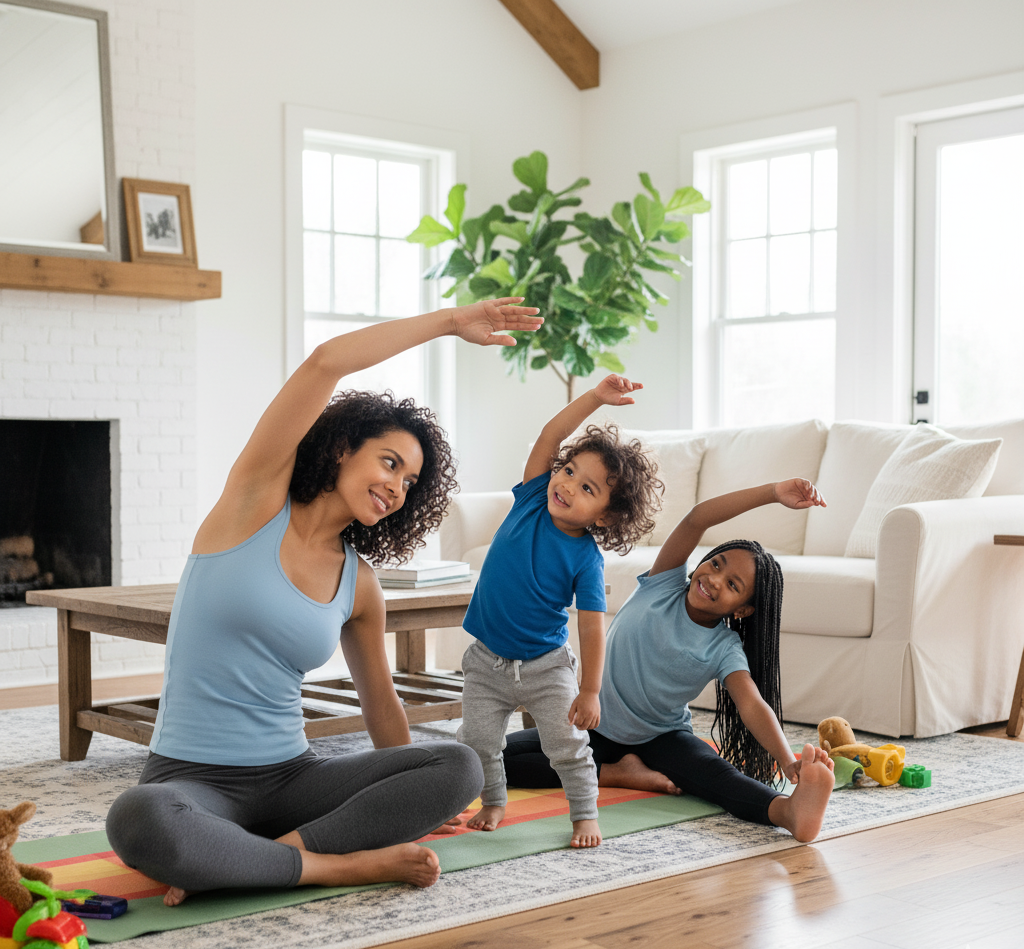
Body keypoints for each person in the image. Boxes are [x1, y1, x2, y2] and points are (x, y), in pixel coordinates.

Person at [106, 298, 543, 903]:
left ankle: (258, 859)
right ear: (342, 448)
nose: (396, 487)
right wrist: (448, 322)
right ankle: (335, 865)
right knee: (138, 817)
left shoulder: (359, 583)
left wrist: (414, 796)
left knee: (458, 767)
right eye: (389, 462)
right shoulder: (252, 504)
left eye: (410, 481)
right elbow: (325, 363)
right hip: (191, 781)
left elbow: (381, 706)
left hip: (293, 781)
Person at [502, 480, 837, 844]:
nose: (714, 579)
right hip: (594, 725)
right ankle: (616, 773)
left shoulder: (724, 647)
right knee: (496, 757)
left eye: (733, 585)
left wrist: (787, 760)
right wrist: (772, 493)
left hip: (662, 737)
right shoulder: (663, 584)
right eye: (715, 564)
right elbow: (697, 519)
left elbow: (752, 704)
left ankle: (787, 812)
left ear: (742, 610)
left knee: (714, 774)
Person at [457, 375, 663, 848]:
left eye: (586, 487)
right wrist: (594, 398)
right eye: (568, 471)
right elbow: (551, 436)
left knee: (566, 746)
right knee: (478, 741)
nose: (567, 485)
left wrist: (589, 691)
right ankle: (493, 801)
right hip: (486, 661)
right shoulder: (532, 497)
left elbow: (591, 628)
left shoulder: (587, 560)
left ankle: (584, 814)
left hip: (546, 668)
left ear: (605, 516)